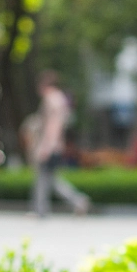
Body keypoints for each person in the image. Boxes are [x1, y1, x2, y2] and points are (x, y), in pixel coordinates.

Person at [27, 71, 90, 217]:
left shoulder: (51, 99)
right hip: (57, 144)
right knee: (51, 179)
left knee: (43, 178)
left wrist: (47, 146)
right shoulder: (61, 99)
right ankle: (78, 201)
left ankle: (40, 210)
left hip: (50, 145)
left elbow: (53, 125)